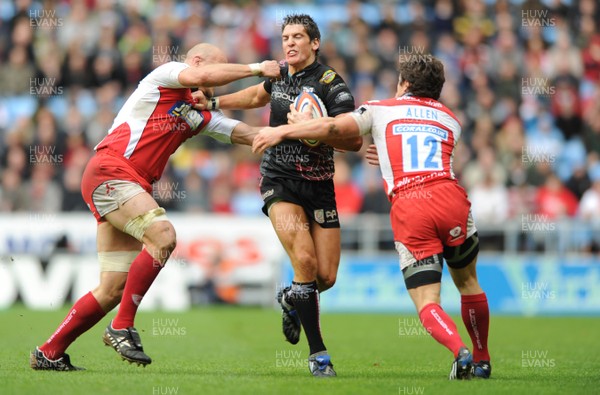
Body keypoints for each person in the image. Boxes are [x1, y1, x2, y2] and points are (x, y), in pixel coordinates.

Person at [30, 43, 281, 371]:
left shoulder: (198, 114)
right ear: (196, 61)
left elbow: (251, 134)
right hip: (112, 170)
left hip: (127, 185)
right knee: (163, 236)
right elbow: (205, 76)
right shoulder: (165, 75)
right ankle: (122, 327)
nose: (219, 83)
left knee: (111, 288)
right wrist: (256, 67)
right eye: (219, 70)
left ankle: (49, 352)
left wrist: (304, 133)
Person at [252, 55, 492, 380]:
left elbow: (335, 127)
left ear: (404, 83)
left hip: (413, 205)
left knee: (427, 300)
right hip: (452, 200)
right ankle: (481, 360)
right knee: (468, 282)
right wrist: (389, 153)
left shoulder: (381, 108)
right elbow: (424, 149)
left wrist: (287, 130)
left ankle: (458, 351)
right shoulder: (451, 119)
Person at [197, 14, 361, 377]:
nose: (289, 43)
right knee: (304, 260)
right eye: (285, 37)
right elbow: (258, 95)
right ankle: (319, 356)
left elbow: (353, 140)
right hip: (279, 181)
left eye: (298, 37)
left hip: (320, 186)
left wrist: (304, 130)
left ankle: (291, 297)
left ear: (314, 43)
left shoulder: (331, 84)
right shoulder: (280, 74)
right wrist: (212, 105)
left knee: (325, 277)